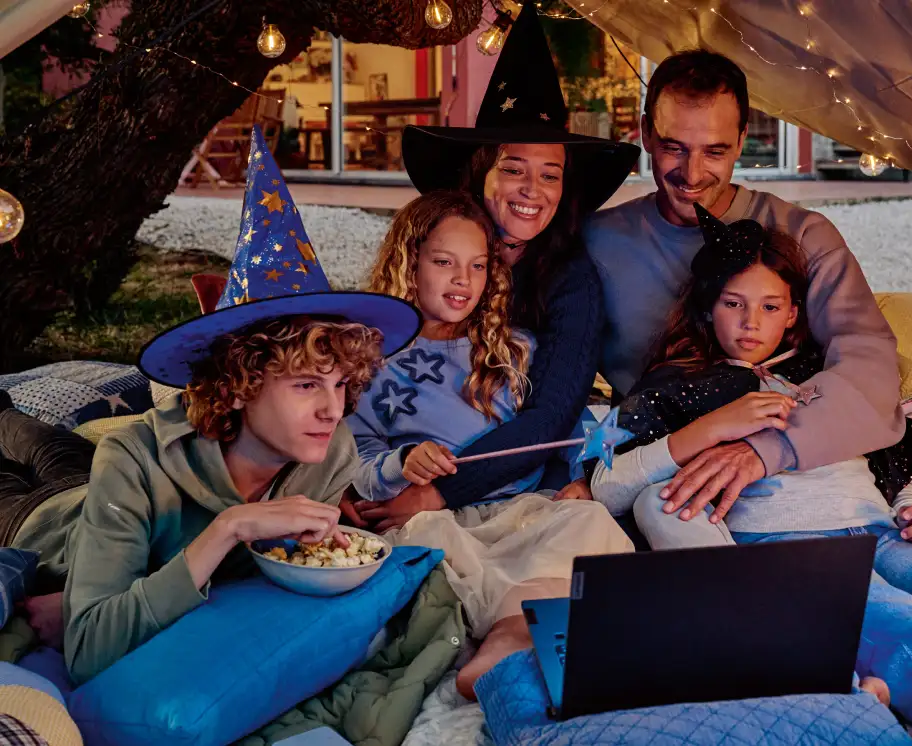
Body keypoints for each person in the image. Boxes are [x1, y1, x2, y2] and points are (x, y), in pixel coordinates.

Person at [584, 48, 912, 629]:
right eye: (674, 147)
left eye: (715, 151)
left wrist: (765, 450)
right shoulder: (601, 243)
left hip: (834, 453)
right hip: (704, 473)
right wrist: (582, 476)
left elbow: (869, 365)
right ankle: (762, 634)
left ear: (742, 139)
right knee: (666, 512)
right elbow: (555, 370)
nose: (692, 171)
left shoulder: (802, 234)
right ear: (646, 135)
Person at [590, 208, 912, 738]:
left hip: (881, 532)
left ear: (792, 313)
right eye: (733, 304)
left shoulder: (823, 377)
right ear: (707, 308)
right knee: (909, 633)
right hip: (796, 549)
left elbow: (888, 451)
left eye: (769, 307)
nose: (750, 323)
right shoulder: (684, 384)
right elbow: (606, 480)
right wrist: (709, 430)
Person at [0, 130, 420, 684]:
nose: (331, 410)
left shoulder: (331, 451)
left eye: (341, 385)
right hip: (40, 522)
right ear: (241, 384)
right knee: (17, 432)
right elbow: (89, 648)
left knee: (55, 446)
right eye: (304, 386)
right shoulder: (132, 455)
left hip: (91, 482)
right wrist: (227, 527)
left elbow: (257, 576)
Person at [346, 191, 633, 700]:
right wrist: (400, 462)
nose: (463, 280)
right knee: (422, 545)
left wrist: (581, 476)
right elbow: (358, 458)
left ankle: (510, 632)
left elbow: (564, 427)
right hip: (436, 517)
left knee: (590, 524)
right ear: (408, 263)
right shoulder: (371, 363)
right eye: (444, 262)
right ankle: (517, 630)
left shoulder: (512, 348)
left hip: (518, 510)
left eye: (478, 265)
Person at [365, 1, 639, 527]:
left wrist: (438, 494)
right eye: (514, 169)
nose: (532, 191)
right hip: (404, 454)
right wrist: (371, 472)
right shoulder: (433, 245)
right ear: (480, 170)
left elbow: (552, 415)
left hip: (504, 474)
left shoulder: (569, 280)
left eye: (551, 175)